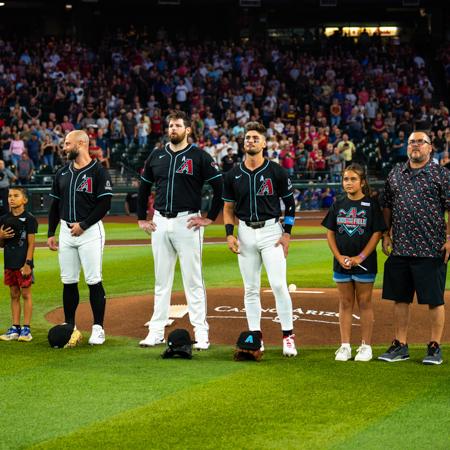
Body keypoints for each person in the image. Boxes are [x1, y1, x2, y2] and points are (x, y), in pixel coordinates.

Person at [137, 111, 223, 350]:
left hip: (188, 221)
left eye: (177, 125)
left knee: (193, 280)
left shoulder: (199, 156)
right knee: (161, 280)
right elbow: (144, 188)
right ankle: (156, 331)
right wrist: (140, 218)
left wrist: (210, 218)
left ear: (188, 130)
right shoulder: (157, 155)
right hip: (160, 221)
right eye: (170, 125)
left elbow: (220, 186)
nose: (172, 129)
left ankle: (202, 333)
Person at [222, 121, 297, 357]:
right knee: (250, 289)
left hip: (271, 232)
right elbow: (228, 208)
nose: (251, 141)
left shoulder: (277, 171)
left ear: (264, 143)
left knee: (278, 285)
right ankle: (255, 337)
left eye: (255, 138)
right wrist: (229, 234)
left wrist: (286, 234)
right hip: (244, 232)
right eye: (247, 138)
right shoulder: (233, 174)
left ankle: (288, 336)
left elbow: (291, 205)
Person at [379, 131, 450, 365]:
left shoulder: (441, 174)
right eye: (411, 142)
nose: (416, 145)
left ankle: (434, 346)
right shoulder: (396, 173)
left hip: (432, 248)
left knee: (435, 300)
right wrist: (386, 234)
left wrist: (449, 238)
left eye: (421, 142)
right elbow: (387, 205)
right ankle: (400, 345)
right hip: (401, 248)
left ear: (431, 148)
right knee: (400, 299)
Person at [47, 130, 113, 346]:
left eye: (67, 143)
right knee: (68, 281)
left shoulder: (98, 171)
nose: (64, 147)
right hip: (66, 232)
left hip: (90, 231)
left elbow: (104, 204)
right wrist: (50, 233)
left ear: (82, 143)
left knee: (93, 280)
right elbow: (55, 206)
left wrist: (84, 225)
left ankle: (98, 328)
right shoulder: (62, 172)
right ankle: (70, 326)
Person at [322, 164, 386, 362]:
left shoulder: (371, 205)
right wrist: (339, 257)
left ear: (362, 182)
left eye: (353, 179)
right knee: (345, 303)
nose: (348, 183)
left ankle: (366, 346)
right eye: (345, 179)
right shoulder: (338, 204)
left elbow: (377, 233)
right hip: (341, 262)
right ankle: (345, 346)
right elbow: (330, 232)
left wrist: (360, 257)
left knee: (365, 303)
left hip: (365, 263)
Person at [0, 187, 38, 342]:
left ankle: (26, 329)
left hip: (24, 264)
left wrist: (28, 263)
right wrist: (0, 236)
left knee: (25, 294)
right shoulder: (3, 219)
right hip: (10, 263)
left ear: (25, 200)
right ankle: (15, 327)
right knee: (14, 294)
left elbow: (31, 244)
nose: (11, 198)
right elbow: (2, 245)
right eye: (9, 196)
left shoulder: (29, 219)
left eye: (16, 195)